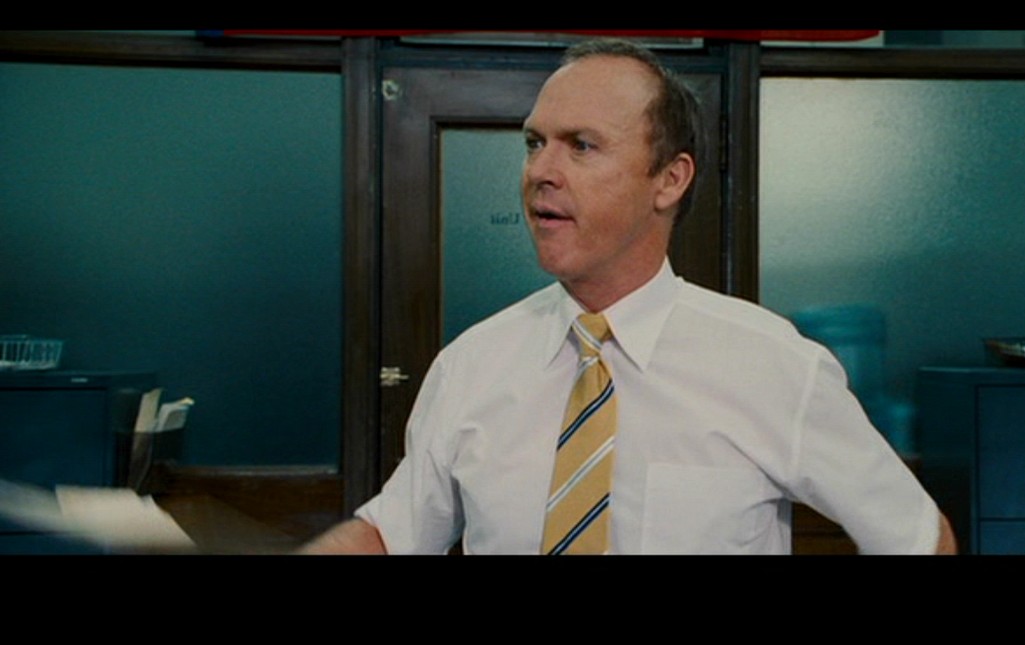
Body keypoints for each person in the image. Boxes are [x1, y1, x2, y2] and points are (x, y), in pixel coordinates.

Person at [302, 39, 956, 555]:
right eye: (534, 143)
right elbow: (391, 534)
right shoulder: (470, 366)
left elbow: (917, 538)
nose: (540, 171)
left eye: (581, 145)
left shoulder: (777, 365)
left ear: (669, 179)